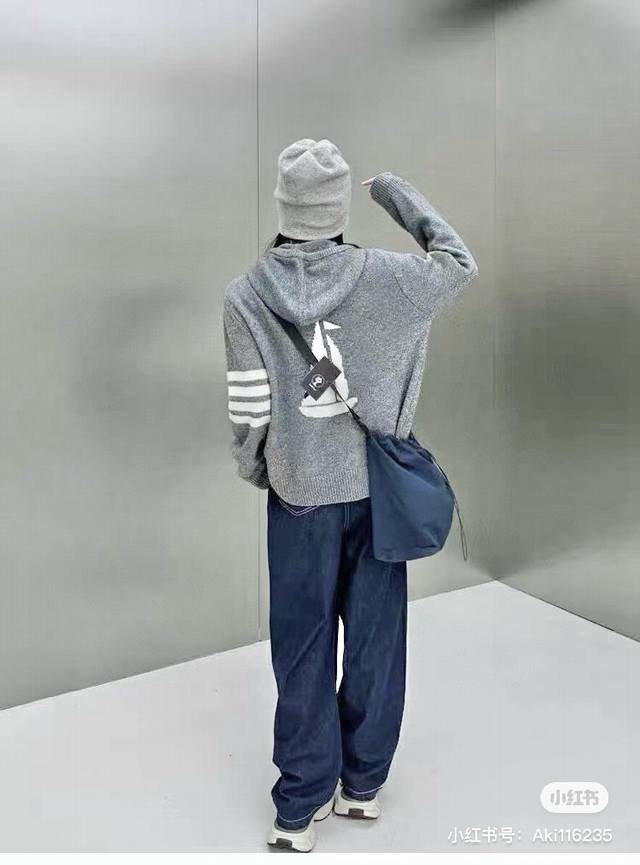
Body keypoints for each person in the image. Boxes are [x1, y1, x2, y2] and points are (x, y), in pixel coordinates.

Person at [222, 138, 478, 852]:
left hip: (299, 494)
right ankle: (362, 785)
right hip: (377, 493)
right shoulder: (395, 279)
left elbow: (248, 408)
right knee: (375, 638)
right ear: (336, 209)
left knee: (301, 645)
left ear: (284, 206)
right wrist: (394, 192)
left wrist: (264, 468)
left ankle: (299, 807)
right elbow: (459, 262)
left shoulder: (245, 294)